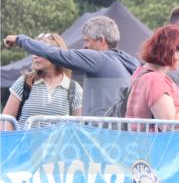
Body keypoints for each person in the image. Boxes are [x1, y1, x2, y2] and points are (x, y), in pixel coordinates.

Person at [4, 16, 140, 116]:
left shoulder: (99, 58)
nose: (84, 46)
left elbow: (56, 54)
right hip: (122, 138)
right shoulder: (129, 62)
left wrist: (19, 39)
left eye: (87, 40)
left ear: (101, 41)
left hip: (102, 138)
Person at [125, 26, 179, 125]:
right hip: (155, 140)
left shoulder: (143, 72)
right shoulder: (155, 80)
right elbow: (171, 126)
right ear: (173, 51)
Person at [1, 33, 82, 130]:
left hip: (57, 146)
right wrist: (12, 143)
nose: (34, 56)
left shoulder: (74, 88)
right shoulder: (25, 82)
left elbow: (78, 128)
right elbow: (6, 120)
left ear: (55, 55)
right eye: (33, 52)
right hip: (25, 145)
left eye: (39, 52)